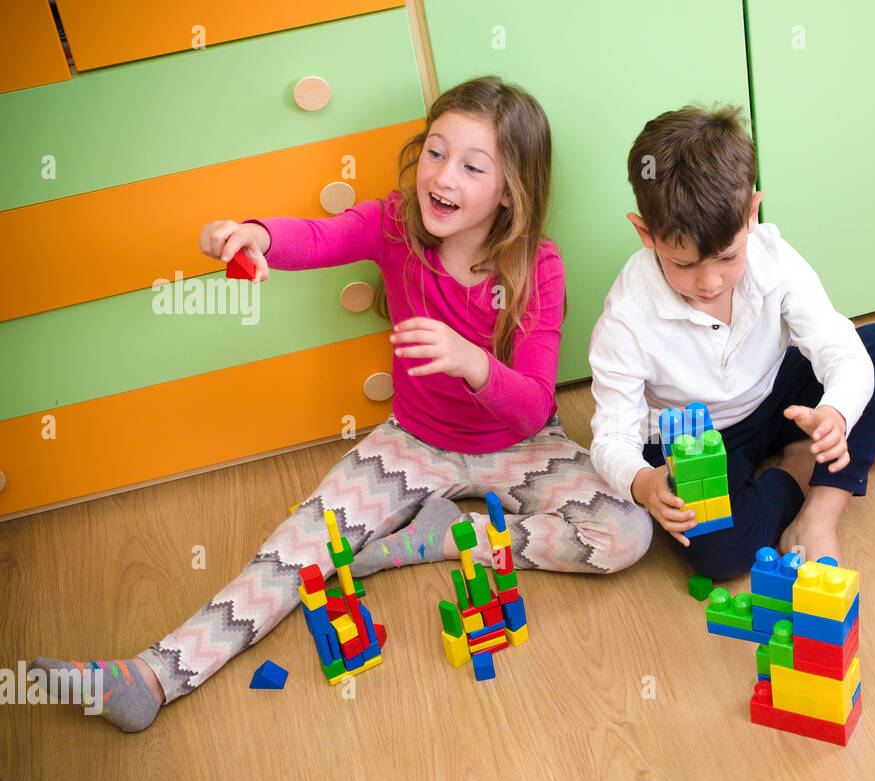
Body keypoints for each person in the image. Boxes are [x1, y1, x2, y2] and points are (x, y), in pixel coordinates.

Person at [32, 77, 651, 732]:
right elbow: (319, 238)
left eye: (473, 167)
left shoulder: (538, 266)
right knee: (296, 547)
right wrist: (255, 236)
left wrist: (474, 363)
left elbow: (529, 410)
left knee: (627, 532)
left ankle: (450, 537)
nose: (442, 175)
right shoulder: (393, 226)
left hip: (521, 446)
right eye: (436, 152)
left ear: (509, 190)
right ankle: (153, 676)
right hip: (413, 442)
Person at [589, 105, 875, 580]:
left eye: (727, 257)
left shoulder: (773, 257)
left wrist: (836, 413)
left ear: (751, 215)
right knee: (721, 555)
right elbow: (612, 436)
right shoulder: (626, 318)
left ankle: (819, 511)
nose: (709, 282)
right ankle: (808, 462)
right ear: (645, 233)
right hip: (695, 439)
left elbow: (840, 350)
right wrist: (642, 482)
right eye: (684, 264)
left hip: (774, 395)